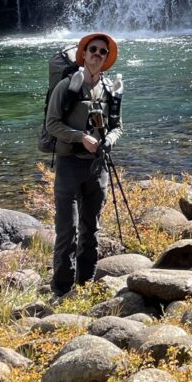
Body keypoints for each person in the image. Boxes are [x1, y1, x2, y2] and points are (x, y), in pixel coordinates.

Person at [46, 32, 122, 297]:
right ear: (84, 53)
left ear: (106, 58)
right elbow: (52, 124)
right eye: (93, 50)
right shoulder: (66, 86)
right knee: (67, 230)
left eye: (103, 52)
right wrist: (80, 137)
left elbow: (118, 126)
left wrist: (109, 139)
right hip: (69, 165)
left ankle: (85, 284)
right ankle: (61, 289)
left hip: (97, 167)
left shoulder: (111, 89)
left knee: (92, 229)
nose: (97, 55)